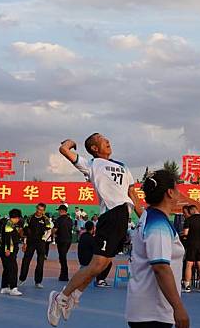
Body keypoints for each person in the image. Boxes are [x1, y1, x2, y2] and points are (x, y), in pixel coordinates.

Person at [48, 134, 142, 327]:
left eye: (108, 139)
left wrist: (145, 217)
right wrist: (70, 143)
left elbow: (132, 194)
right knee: (97, 263)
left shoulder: (123, 166)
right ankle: (60, 297)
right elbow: (64, 150)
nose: (108, 141)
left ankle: (75, 295)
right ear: (95, 148)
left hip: (124, 216)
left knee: (103, 264)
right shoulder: (92, 164)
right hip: (110, 214)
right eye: (102, 139)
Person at [126, 169, 190, 328]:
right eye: (176, 188)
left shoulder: (150, 217)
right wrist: (178, 307)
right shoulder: (158, 224)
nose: (178, 192)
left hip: (147, 311)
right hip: (153, 314)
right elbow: (160, 267)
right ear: (170, 192)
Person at [19, 202, 52, 289]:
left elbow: (49, 231)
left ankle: (38, 282)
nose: (39, 211)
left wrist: (44, 238)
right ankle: (22, 279)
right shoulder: (29, 218)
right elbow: (25, 231)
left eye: (41, 210)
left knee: (40, 262)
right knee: (26, 260)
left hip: (40, 243)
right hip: (30, 242)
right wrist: (25, 243)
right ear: (36, 208)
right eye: (38, 209)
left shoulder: (46, 219)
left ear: (44, 211)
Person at [182, 205, 200, 293]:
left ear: (191, 211)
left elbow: (185, 233)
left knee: (189, 265)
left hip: (191, 245)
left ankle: (187, 286)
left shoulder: (189, 220)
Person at [0, 208, 23, 296]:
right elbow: (8, 238)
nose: (18, 220)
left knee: (7, 267)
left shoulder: (10, 224)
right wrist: (7, 250)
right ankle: (13, 288)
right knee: (13, 268)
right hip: (8, 249)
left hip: (4, 248)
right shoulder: (8, 225)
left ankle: (4, 287)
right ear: (15, 217)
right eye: (18, 218)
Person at [78, 221, 112, 287]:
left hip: (82, 260)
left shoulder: (83, 236)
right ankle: (100, 280)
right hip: (88, 261)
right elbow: (97, 249)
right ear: (93, 228)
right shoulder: (91, 238)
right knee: (108, 262)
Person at [53, 204, 74, 282]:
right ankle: (63, 275)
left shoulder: (58, 220)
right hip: (68, 241)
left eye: (59, 210)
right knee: (63, 257)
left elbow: (55, 229)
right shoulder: (70, 220)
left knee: (62, 258)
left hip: (61, 240)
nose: (58, 212)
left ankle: (64, 275)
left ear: (61, 211)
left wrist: (52, 232)